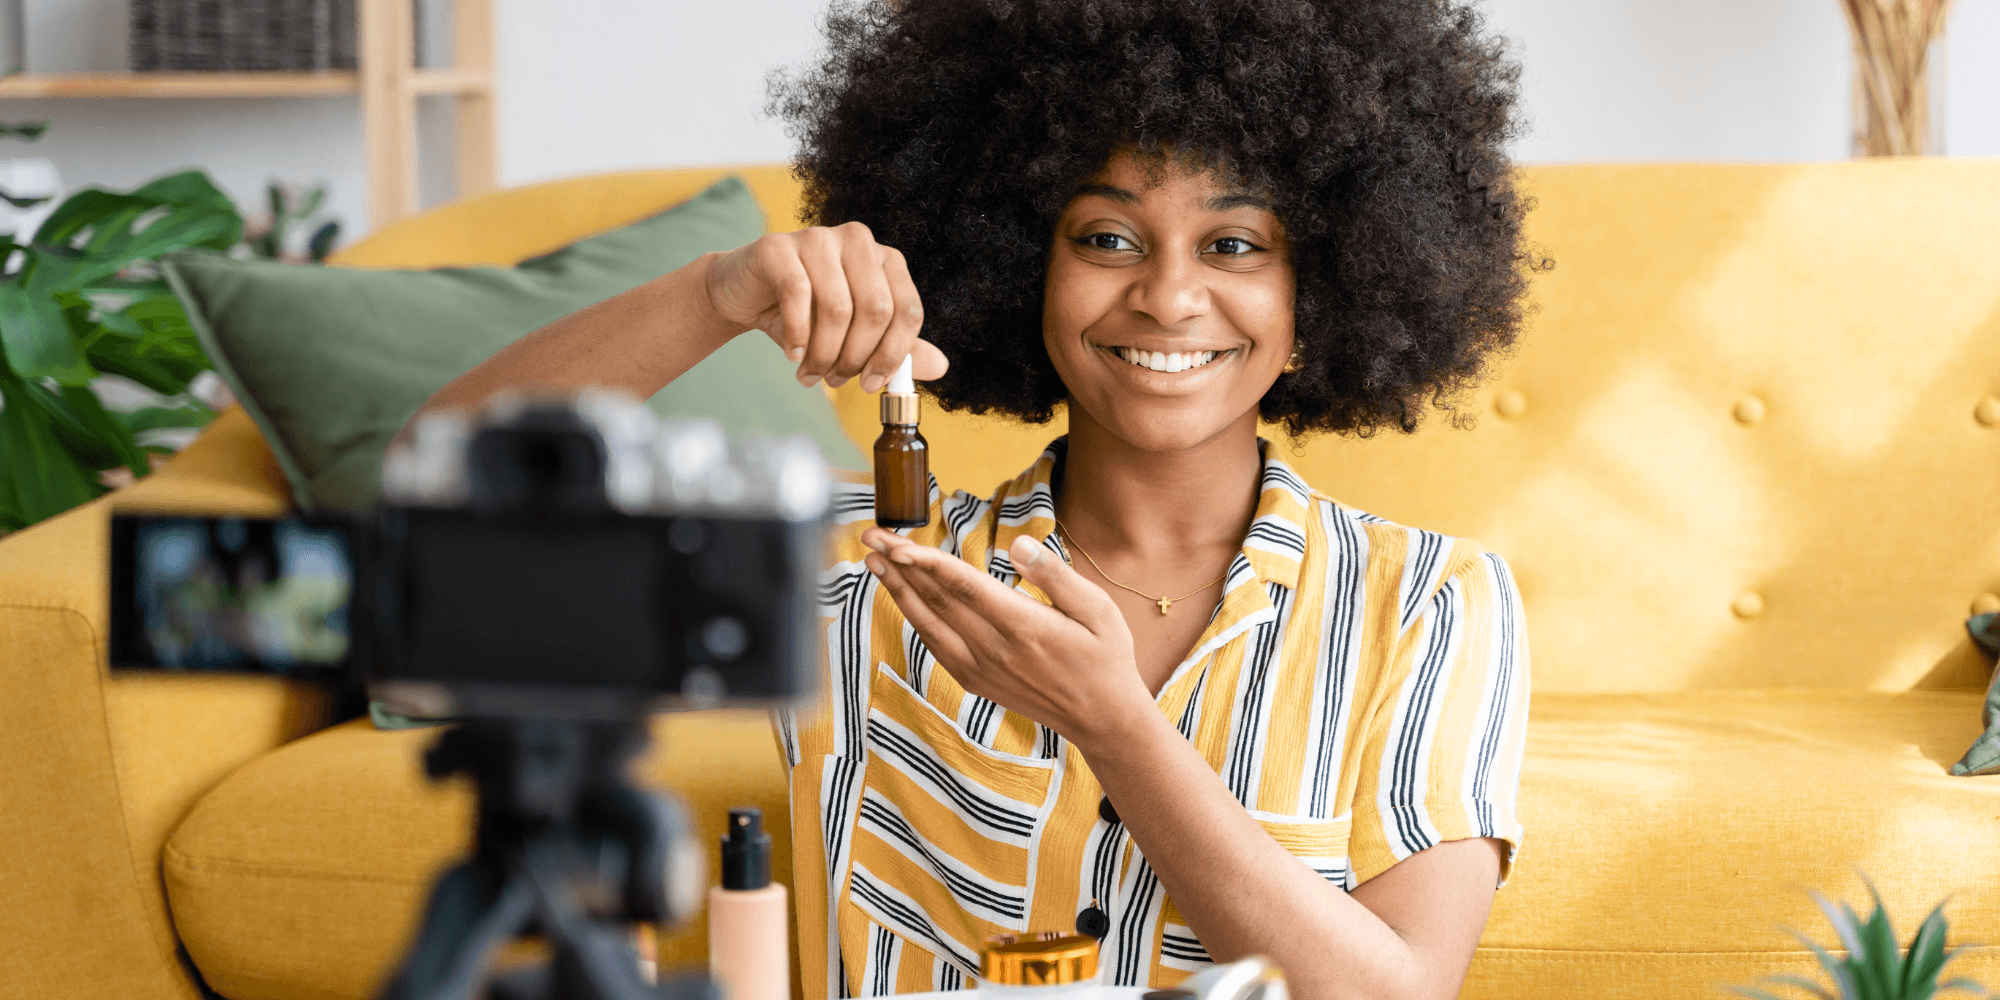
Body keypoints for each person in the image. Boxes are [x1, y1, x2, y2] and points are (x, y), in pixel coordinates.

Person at [411, 2, 1535, 997]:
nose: (1167, 295)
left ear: (1319, 299)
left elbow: (1389, 991)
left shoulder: (1429, 600)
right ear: (1018, 271)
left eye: (1233, 244)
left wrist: (1114, 725)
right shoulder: (860, 570)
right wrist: (718, 293)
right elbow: (438, 509)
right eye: (1105, 237)